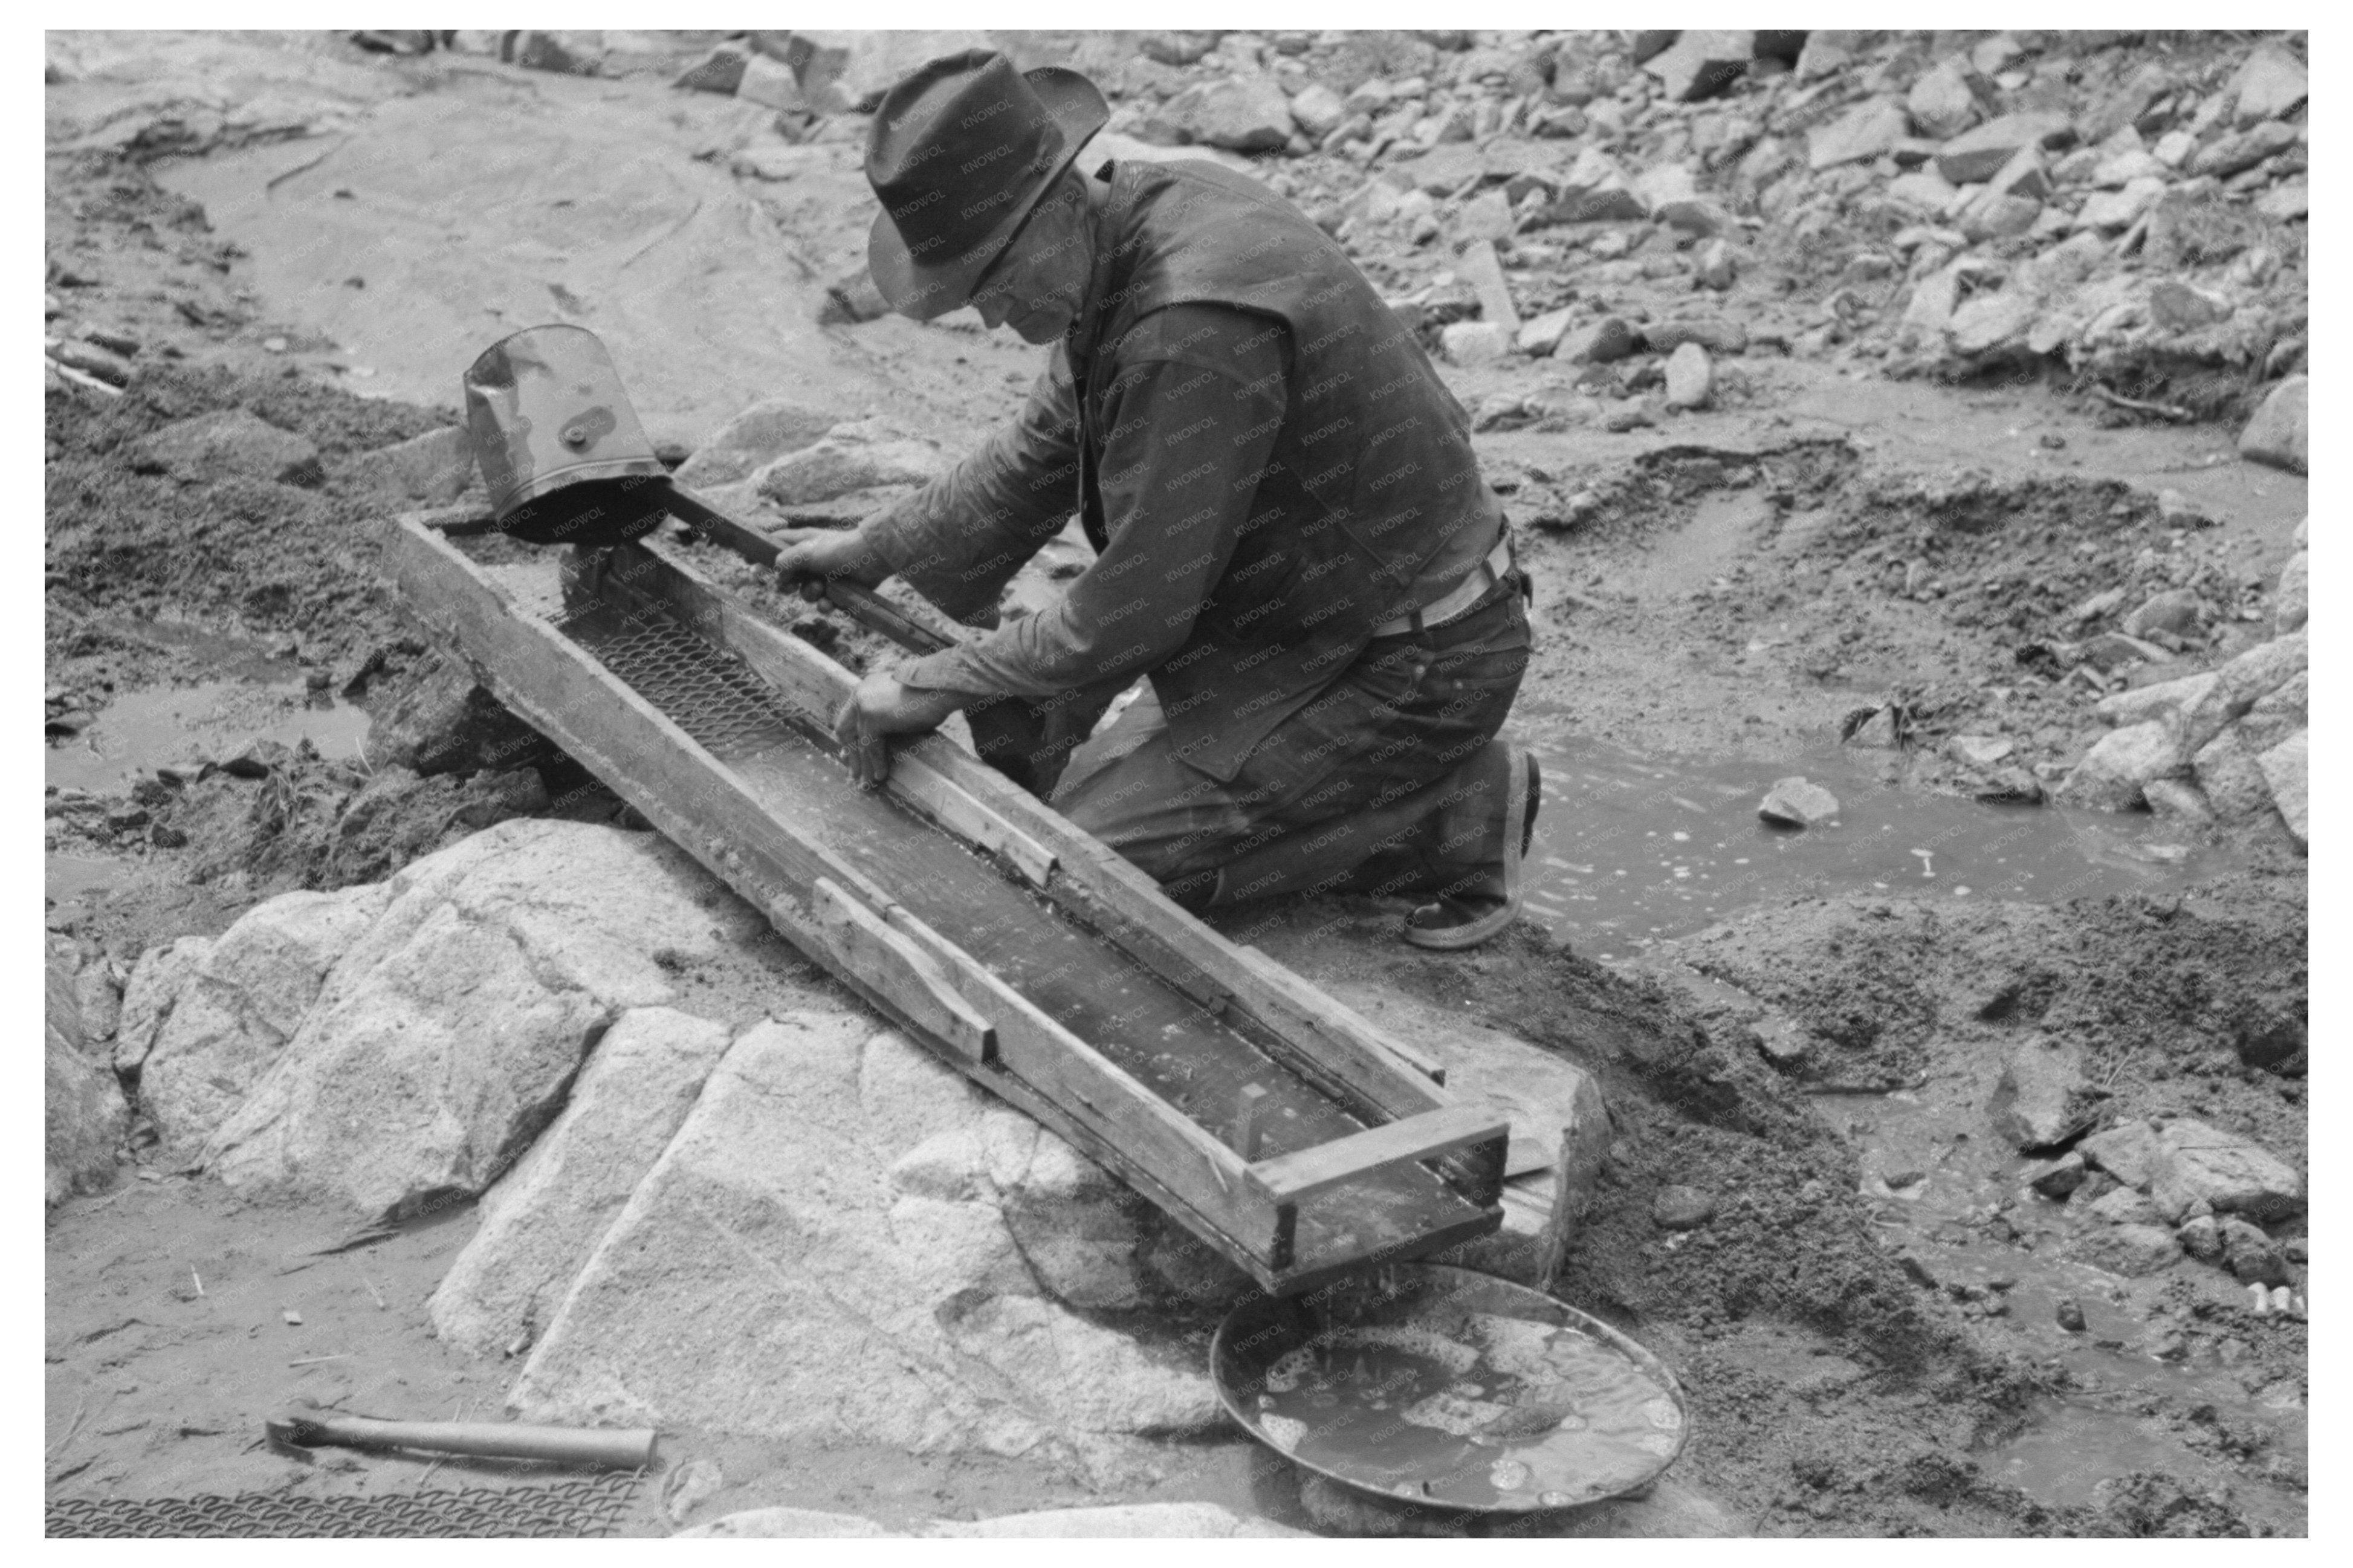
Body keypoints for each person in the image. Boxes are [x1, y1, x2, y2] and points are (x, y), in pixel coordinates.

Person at [773, 49, 1539, 949]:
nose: (986, 317)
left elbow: (1133, 607)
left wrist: (931, 679)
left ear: (1053, 203)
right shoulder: (1129, 223)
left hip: (1410, 664)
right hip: (1289, 620)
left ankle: (1447, 800)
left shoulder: (1188, 327)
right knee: (1038, 764)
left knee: (1077, 874)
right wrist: (877, 546)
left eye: (990, 280)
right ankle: (1332, 777)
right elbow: (1044, 447)